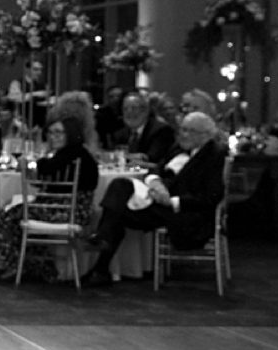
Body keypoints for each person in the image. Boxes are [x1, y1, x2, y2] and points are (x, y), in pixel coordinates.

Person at [83, 110, 226, 286]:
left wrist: (172, 201)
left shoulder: (214, 155)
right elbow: (156, 169)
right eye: (182, 129)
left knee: (115, 214)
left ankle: (101, 260)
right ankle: (102, 251)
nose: (183, 134)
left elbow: (210, 197)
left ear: (205, 135)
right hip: (158, 200)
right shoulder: (178, 147)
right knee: (120, 185)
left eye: (189, 131)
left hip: (184, 214)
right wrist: (156, 183)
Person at [0, 115, 98, 280]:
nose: (53, 137)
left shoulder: (70, 155)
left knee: (11, 216)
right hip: (64, 208)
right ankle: (25, 265)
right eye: (50, 133)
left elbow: (45, 170)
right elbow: (47, 181)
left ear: (70, 134)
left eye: (59, 133)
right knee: (13, 214)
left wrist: (30, 166)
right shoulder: (71, 154)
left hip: (69, 210)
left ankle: (10, 262)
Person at [117, 91, 178, 166]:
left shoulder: (161, 130)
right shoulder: (121, 134)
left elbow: (152, 158)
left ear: (146, 111)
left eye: (134, 108)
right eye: (125, 109)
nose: (129, 112)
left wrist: (125, 156)